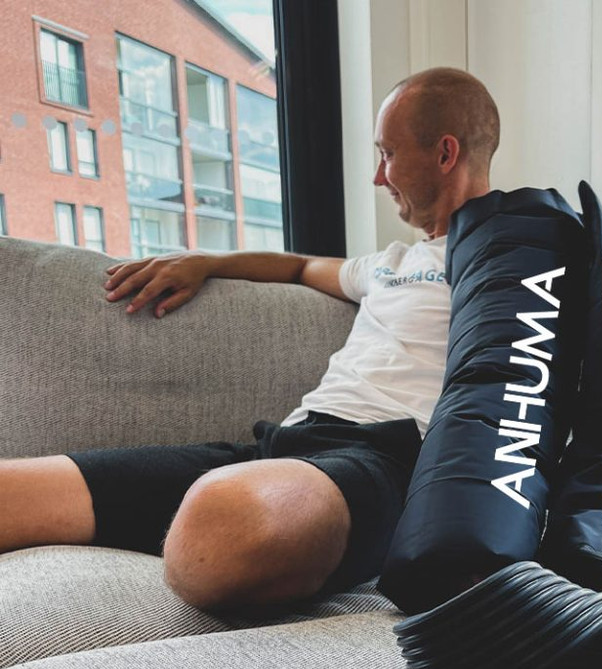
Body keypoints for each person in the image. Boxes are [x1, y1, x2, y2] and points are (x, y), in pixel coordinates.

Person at [0, 68, 500, 613]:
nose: (379, 177)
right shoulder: (390, 262)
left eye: (389, 154)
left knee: (222, 533)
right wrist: (206, 261)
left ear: (445, 154)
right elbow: (300, 266)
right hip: (286, 445)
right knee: (15, 494)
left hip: (388, 462)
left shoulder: (513, 265)